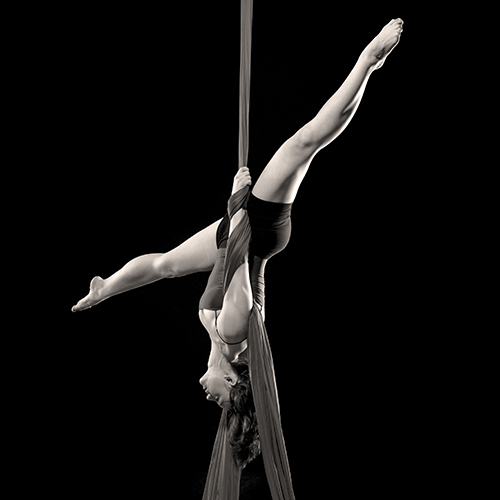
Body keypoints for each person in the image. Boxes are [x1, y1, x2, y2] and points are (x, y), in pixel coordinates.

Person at [72, 19, 404, 467]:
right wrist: (237, 206)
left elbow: (164, 268)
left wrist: (105, 290)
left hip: (239, 232)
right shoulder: (230, 332)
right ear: (233, 383)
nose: (210, 401)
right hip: (256, 231)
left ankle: (105, 287)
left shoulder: (216, 339)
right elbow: (239, 259)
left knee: (165, 265)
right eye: (222, 403)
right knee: (305, 143)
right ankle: (368, 61)